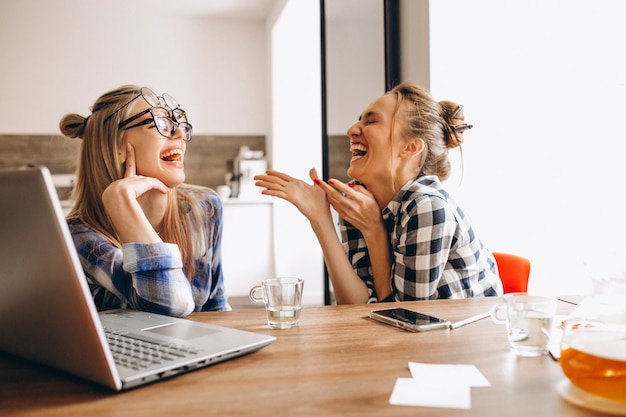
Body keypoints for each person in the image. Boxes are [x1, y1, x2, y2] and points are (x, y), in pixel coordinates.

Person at [255, 82, 502, 304]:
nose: (351, 129)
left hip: (468, 346)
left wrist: (374, 231)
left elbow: (405, 317)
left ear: (411, 147)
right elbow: (356, 306)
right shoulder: (360, 201)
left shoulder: (427, 206)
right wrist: (320, 219)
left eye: (371, 121)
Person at [59, 85, 230, 317]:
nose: (179, 134)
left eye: (178, 124)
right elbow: (171, 305)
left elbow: (216, 308)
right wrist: (122, 203)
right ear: (117, 147)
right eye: (161, 124)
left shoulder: (204, 207)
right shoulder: (79, 237)